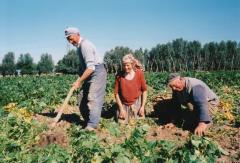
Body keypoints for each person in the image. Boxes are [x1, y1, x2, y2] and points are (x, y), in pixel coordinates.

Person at [64, 27, 107, 131]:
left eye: (71, 38)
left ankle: (92, 125)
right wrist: (78, 79)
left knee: (93, 97)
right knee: (81, 97)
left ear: (77, 34)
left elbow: (91, 67)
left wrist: (79, 81)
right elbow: (83, 67)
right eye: (68, 39)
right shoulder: (79, 47)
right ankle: (89, 120)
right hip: (90, 72)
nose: (70, 41)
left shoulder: (85, 45)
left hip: (97, 71)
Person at [114, 54, 147, 124]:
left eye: (128, 65)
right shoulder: (119, 76)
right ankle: (120, 110)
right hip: (124, 104)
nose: (125, 67)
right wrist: (121, 109)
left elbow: (144, 90)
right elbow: (116, 94)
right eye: (124, 65)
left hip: (136, 103)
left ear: (132, 64)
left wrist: (142, 106)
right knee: (121, 122)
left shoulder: (139, 73)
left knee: (139, 122)